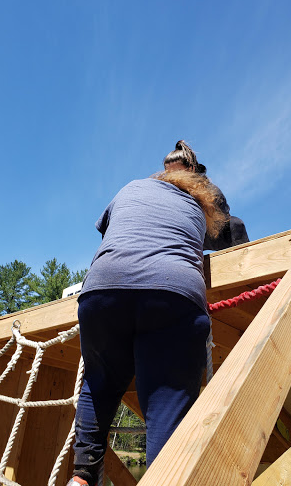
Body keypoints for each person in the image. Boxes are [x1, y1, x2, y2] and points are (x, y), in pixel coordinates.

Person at [67, 142, 232, 486]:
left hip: (102, 289)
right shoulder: (201, 204)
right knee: (165, 405)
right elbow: (227, 238)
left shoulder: (131, 187)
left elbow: (110, 230)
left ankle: (82, 477)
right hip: (173, 292)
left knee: (99, 384)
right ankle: (162, 477)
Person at [163, 140, 249, 251]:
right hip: (184, 234)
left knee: (236, 223)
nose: (173, 177)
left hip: (211, 232)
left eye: (178, 171)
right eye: (169, 173)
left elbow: (224, 216)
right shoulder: (166, 191)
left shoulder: (210, 190)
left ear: (191, 169)